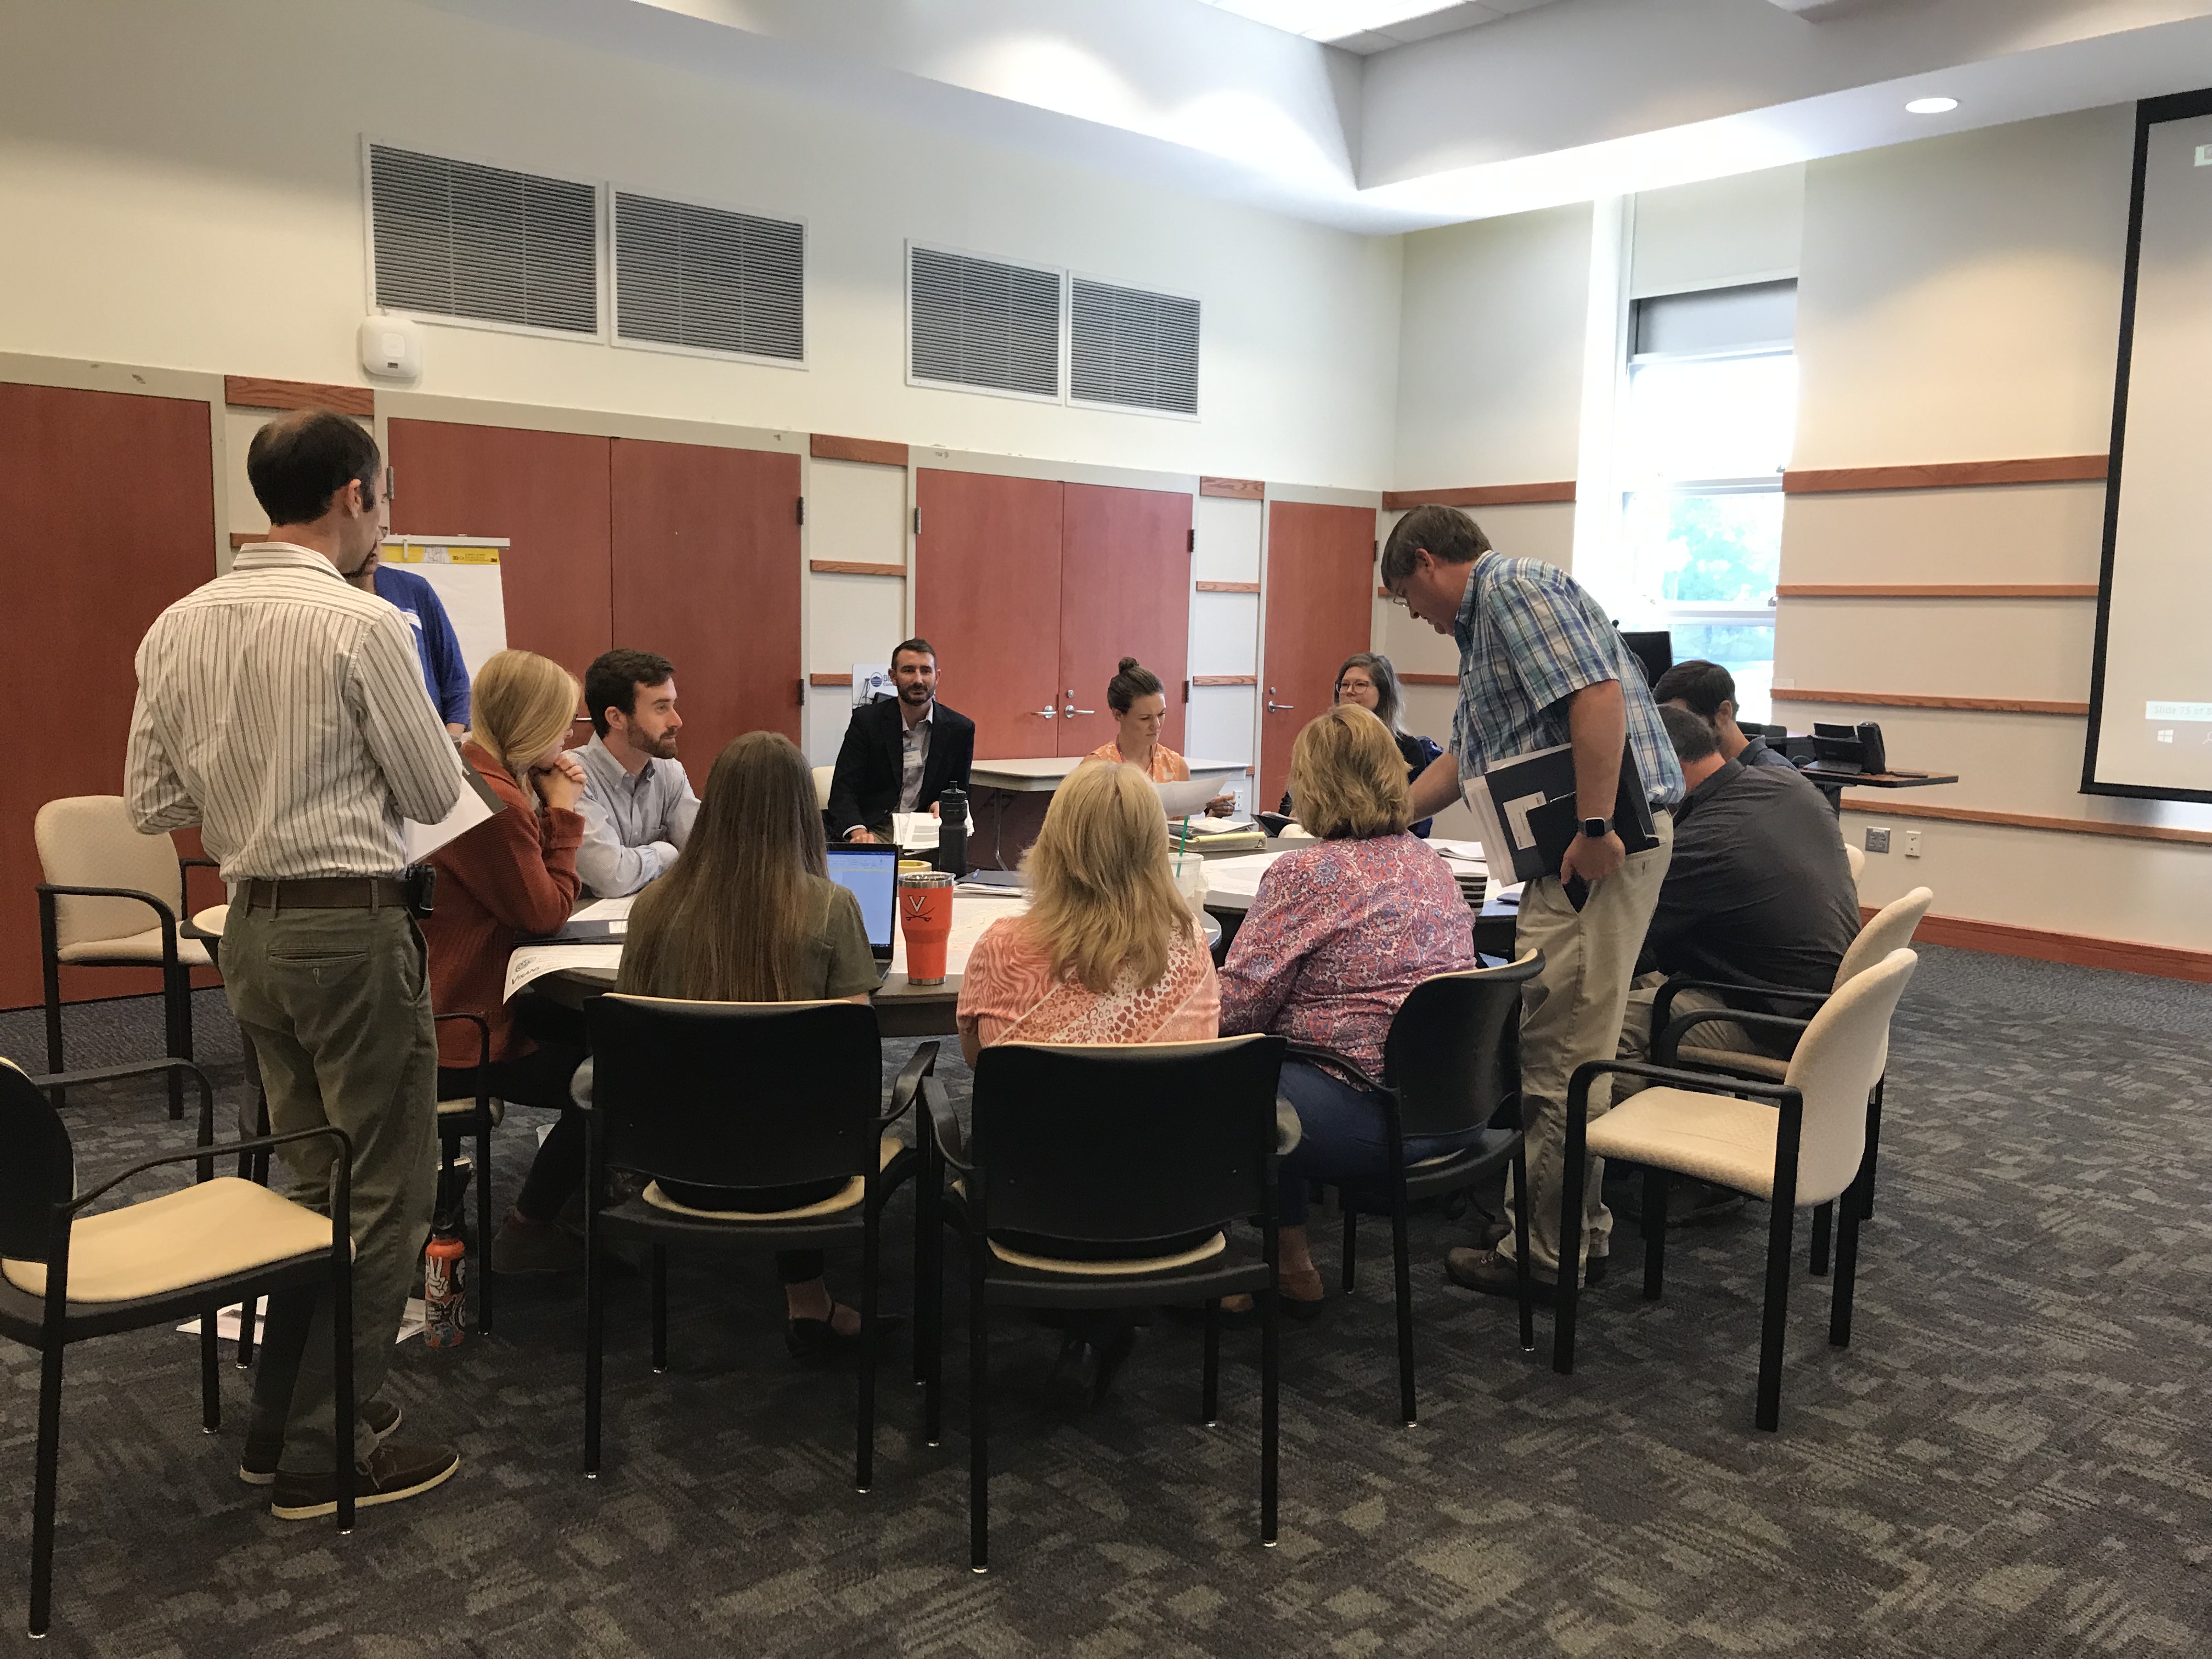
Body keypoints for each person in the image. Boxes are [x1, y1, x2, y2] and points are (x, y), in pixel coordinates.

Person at [125, 408, 461, 1517]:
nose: (385, 520)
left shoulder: (175, 624)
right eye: (386, 498)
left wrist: (252, 787)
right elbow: (431, 791)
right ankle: (325, 1449)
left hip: (249, 929)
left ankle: (286, 1416)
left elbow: (151, 803)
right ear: (354, 494)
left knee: (316, 1183)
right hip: (351, 930)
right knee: (388, 1189)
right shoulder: (364, 625)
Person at [1383, 504, 1684, 1302]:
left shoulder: (1513, 590)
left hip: (1596, 850)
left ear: (1425, 560)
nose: (1415, 615)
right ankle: (1575, 1231)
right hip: (1582, 853)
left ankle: (1545, 1257)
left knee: (1559, 1057)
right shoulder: (1488, 624)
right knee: (1569, 1043)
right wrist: (1387, 817)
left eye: (1407, 597)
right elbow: (1467, 760)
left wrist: (1594, 826)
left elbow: (1597, 697)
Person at [610, 731, 883, 1362]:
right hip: (805, 1173)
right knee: (796, 1094)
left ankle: (803, 1298)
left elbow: (631, 1037)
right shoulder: (832, 908)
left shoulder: (652, 908)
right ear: (801, 811)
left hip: (675, 1167)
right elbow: (853, 1064)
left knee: (755, 1088)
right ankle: (809, 1298)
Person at [955, 759, 1222, 1398]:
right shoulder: (1191, 949)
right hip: (1171, 1206)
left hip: (1029, 1209)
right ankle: (1103, 1326)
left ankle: (1083, 1323)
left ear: (1056, 841)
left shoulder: (1002, 946)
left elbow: (977, 1061)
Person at [1220, 704, 1476, 1314]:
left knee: (1213, 1075)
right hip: (1456, 1105)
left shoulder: (1305, 873)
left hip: (1370, 1115)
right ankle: (1292, 1263)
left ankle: (1199, 1260)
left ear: (1311, 784)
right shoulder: (1429, 863)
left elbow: (1238, 1010)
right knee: (1284, 1059)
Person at [416, 648, 596, 1276]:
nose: (569, 736)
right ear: (532, 722)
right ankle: (530, 1228)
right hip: (464, 1031)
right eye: (563, 722)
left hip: (450, 1003)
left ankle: (593, 1198)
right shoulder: (492, 800)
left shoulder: (470, 773)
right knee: (624, 1072)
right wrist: (563, 813)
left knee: (608, 1031)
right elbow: (544, 911)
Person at [1617, 704, 1861, 1074]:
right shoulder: (1789, 785)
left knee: (1605, 1028)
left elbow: (1621, 941)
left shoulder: (1706, 840)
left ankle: (1649, 1113)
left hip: (1773, 1021)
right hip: (1822, 1003)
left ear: (1664, 768)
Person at [569, 648, 699, 896]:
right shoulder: (573, 777)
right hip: (586, 920)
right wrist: (666, 852)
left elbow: (705, 853)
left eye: (673, 705)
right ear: (616, 718)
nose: (677, 721)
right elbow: (611, 877)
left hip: (650, 914)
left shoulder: (669, 771)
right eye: (661, 708)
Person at [1277, 652, 1446, 836]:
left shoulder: (1406, 747)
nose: (1350, 691)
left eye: (1360, 685)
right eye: (1344, 685)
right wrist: (1295, 814)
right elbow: (1291, 799)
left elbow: (1414, 821)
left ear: (1383, 692)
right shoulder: (1321, 740)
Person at [827, 637, 977, 844]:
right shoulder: (867, 722)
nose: (918, 680)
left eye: (926, 671)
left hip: (926, 828)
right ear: (893, 676)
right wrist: (858, 832)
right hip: (875, 827)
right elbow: (843, 791)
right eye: (909, 671)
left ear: (937, 677)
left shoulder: (960, 729)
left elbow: (960, 791)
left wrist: (943, 804)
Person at [342, 546, 470, 736]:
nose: (375, 544)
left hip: (429, 736)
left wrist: (451, 740)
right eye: (368, 533)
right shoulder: (321, 595)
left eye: (381, 533)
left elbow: (455, 677)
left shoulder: (413, 588)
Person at [1085, 657, 1233, 816]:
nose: (1156, 725)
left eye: (1161, 714)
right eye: (1145, 718)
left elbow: (1183, 829)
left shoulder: (1176, 766)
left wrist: (1213, 816)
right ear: (1118, 714)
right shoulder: (1096, 767)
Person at [1650, 658, 1795, 771]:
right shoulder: (1703, 775)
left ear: (1723, 713)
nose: (1672, 736)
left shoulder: (1774, 778)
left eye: (1682, 722)